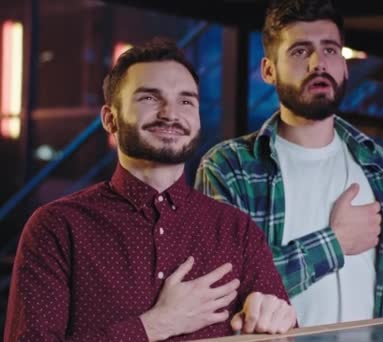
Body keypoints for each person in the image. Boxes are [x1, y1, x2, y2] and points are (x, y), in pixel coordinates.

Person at [4, 38, 296, 341]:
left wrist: (279, 320)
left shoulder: (238, 231)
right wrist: (154, 325)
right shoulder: (57, 228)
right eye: (149, 98)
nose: (171, 113)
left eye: (186, 101)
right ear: (110, 119)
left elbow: (283, 330)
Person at [196, 0, 383, 327]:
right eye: (300, 52)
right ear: (268, 70)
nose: (319, 63)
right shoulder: (229, 167)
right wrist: (334, 243)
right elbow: (222, 288)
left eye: (331, 50)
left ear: (345, 67)